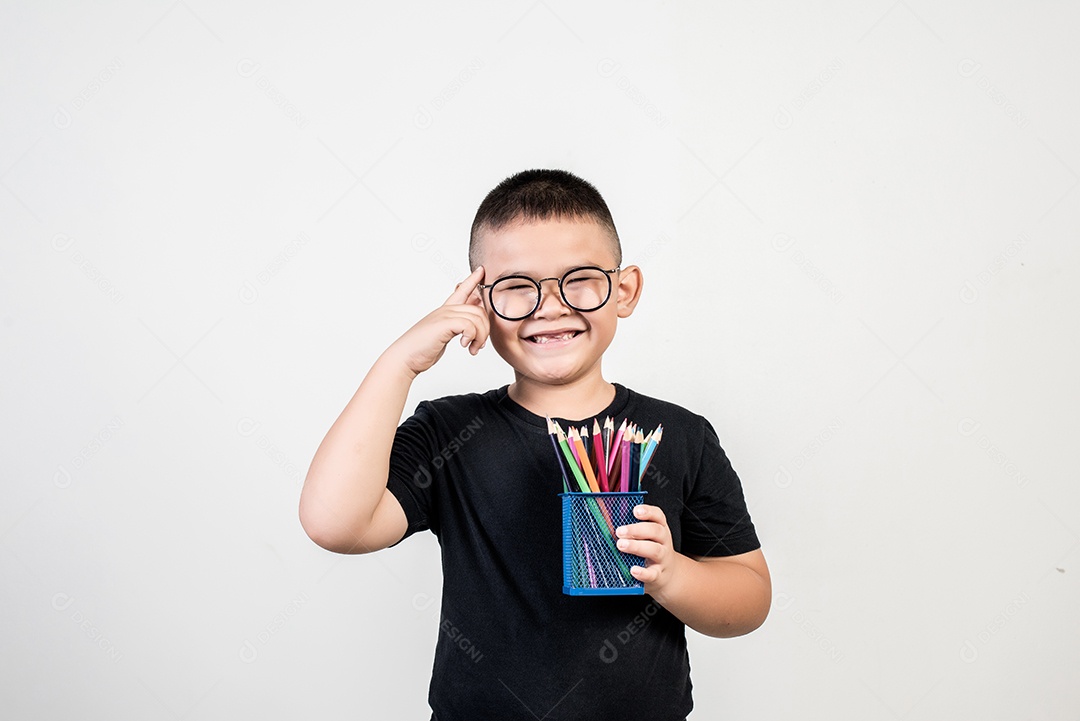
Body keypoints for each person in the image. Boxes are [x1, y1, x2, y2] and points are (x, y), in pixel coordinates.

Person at [299, 169, 771, 720]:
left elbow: (750, 599)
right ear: (479, 302)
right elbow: (335, 524)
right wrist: (401, 361)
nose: (550, 306)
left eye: (580, 278)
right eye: (518, 286)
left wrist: (671, 574)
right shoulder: (449, 433)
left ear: (624, 290)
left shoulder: (682, 435)